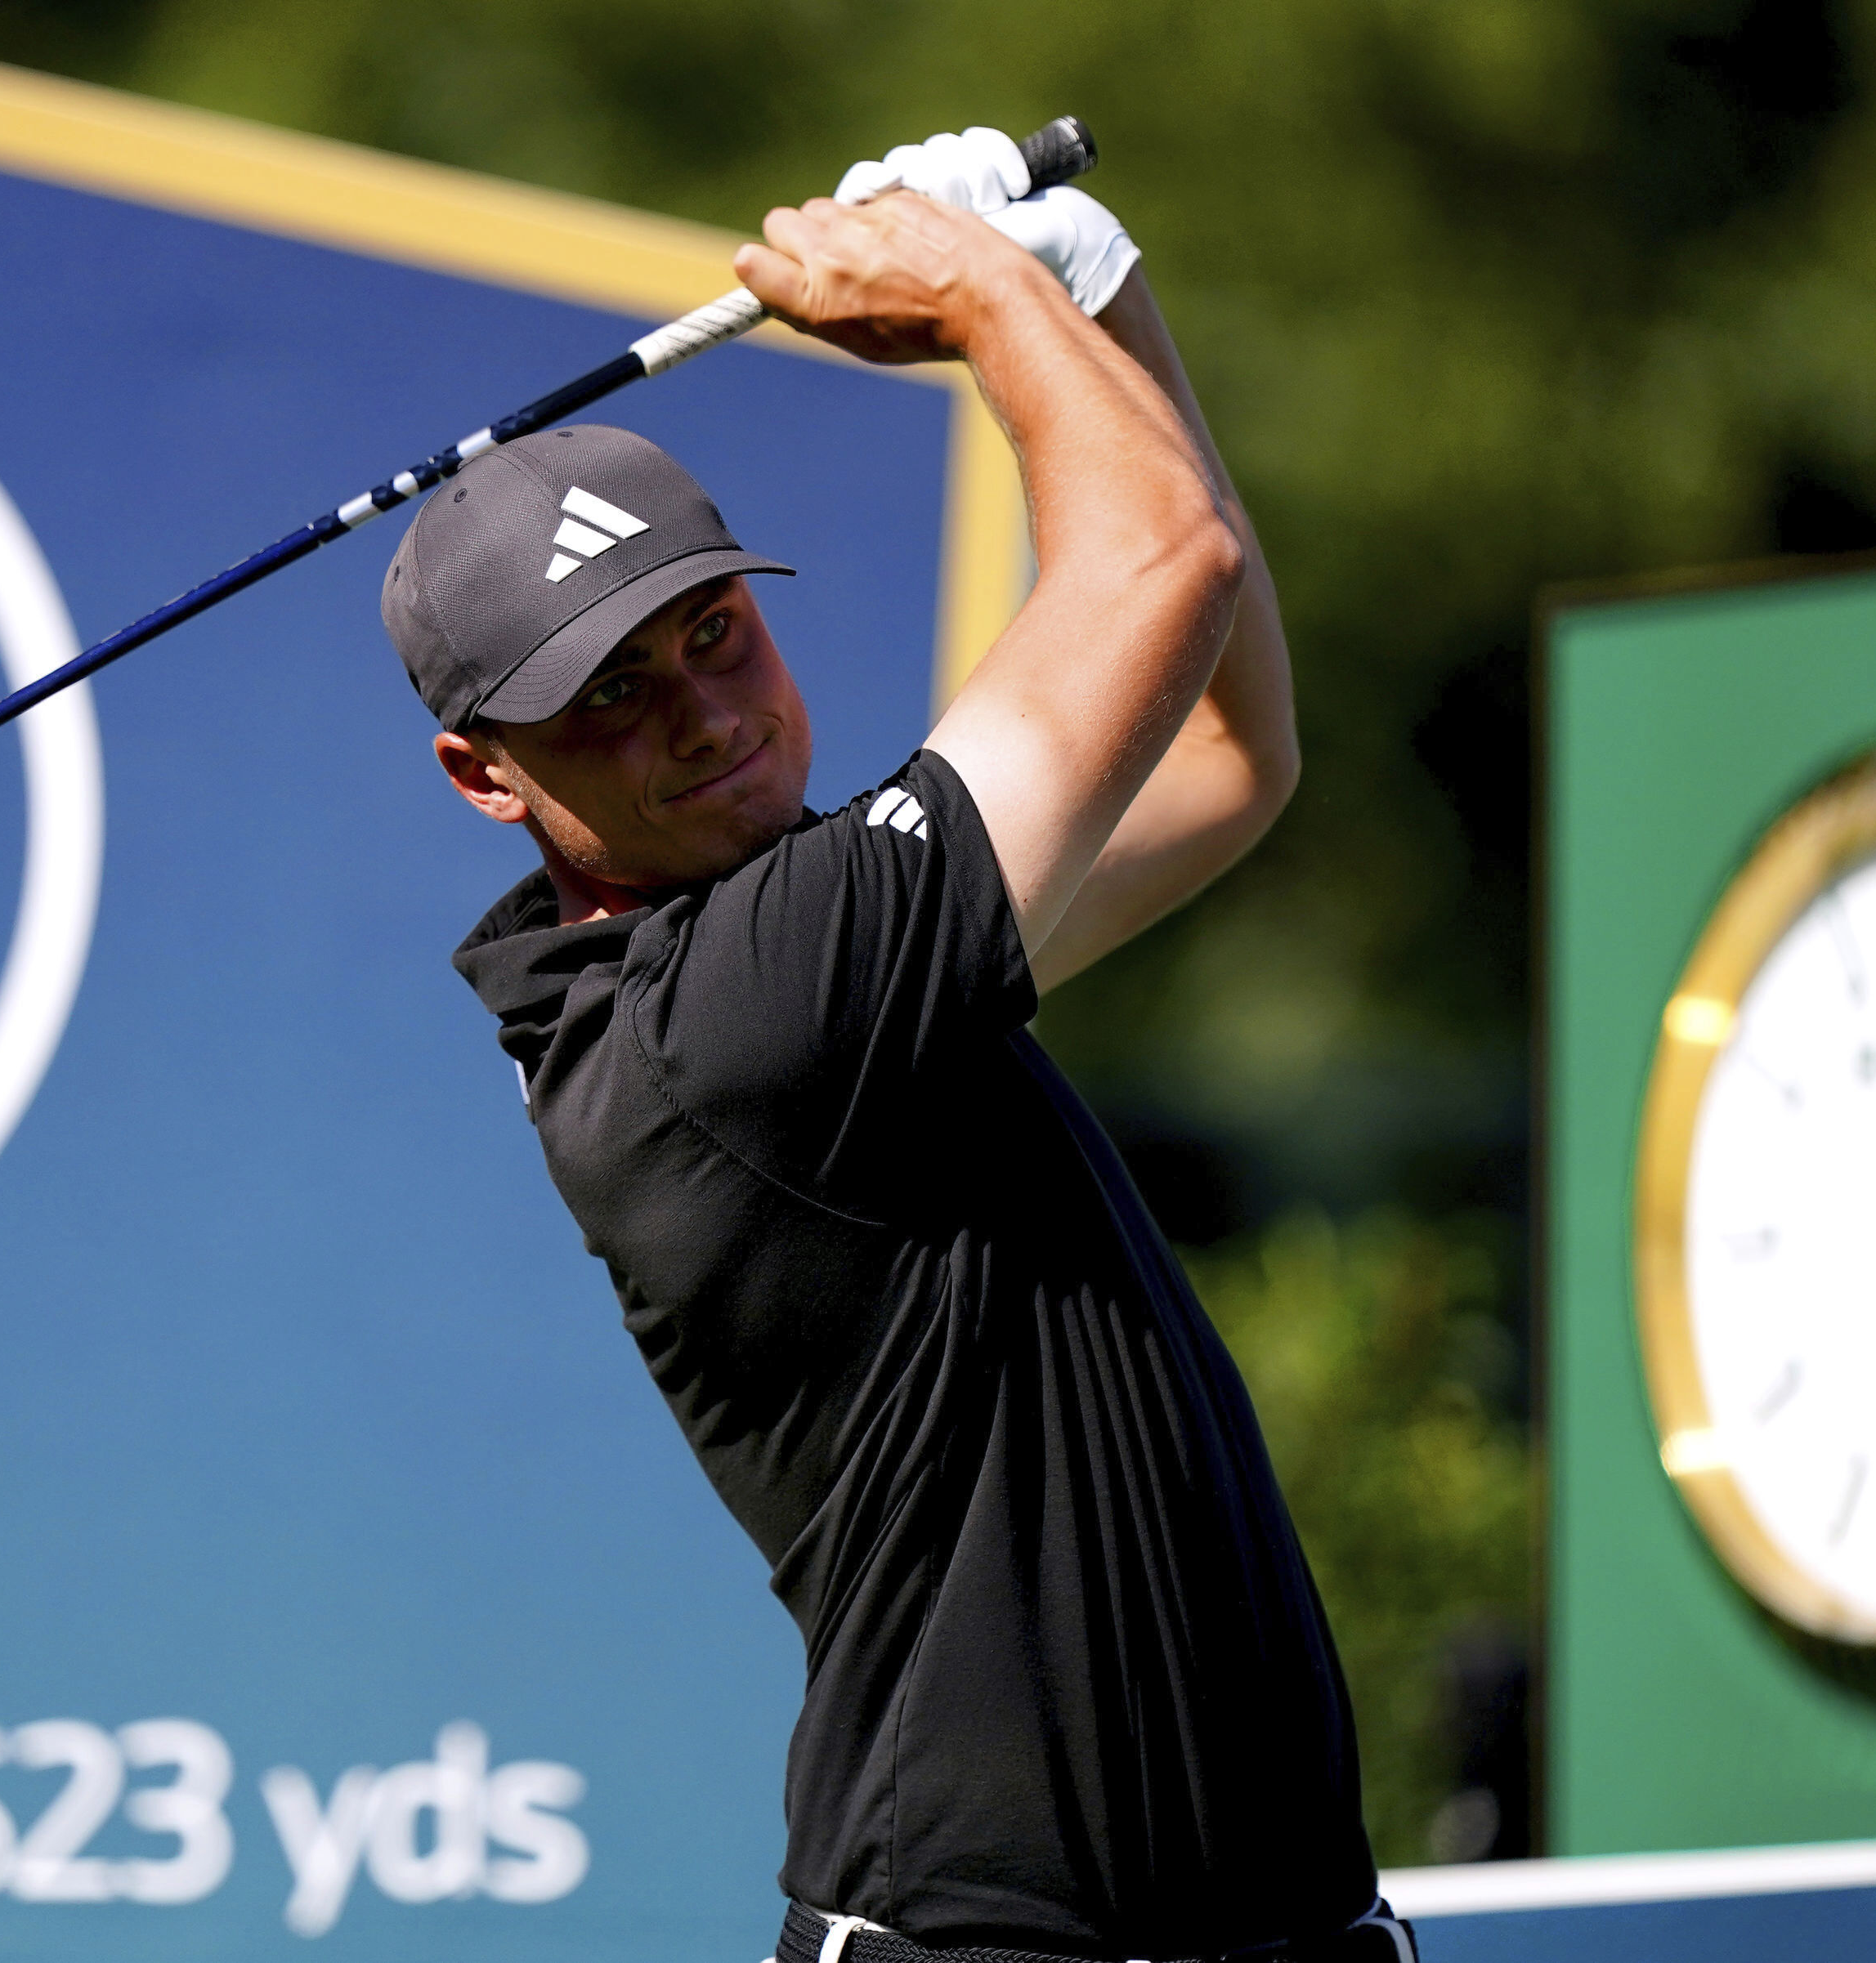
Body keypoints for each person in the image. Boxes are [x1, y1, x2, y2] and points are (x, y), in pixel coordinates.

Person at [379, 131, 1415, 1963]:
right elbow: (1160, 556)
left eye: (711, 633)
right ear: (488, 776)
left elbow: (1225, 760)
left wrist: (1089, 294)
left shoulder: (810, 953)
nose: (699, 715)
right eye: (607, 697)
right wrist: (997, 296)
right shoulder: (748, 1009)